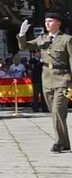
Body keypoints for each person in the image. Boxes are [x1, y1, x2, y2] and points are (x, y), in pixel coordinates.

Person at [18, 12, 71, 152]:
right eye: (46, 21)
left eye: (50, 21)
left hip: (64, 79)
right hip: (47, 79)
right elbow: (24, 47)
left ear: (58, 23)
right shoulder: (42, 38)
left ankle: (59, 142)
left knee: (58, 110)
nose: (47, 23)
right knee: (54, 112)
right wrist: (22, 34)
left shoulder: (67, 39)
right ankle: (64, 143)